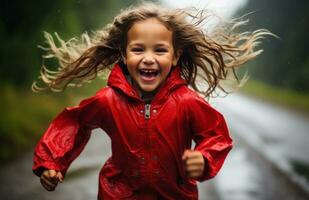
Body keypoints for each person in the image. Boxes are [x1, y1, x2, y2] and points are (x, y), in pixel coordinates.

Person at [32, 2, 271, 199]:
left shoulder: (187, 102)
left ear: (175, 56)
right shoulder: (109, 100)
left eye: (159, 50)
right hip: (116, 195)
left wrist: (205, 159)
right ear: (124, 55)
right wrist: (51, 162)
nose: (148, 59)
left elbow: (216, 136)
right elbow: (74, 122)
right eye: (138, 50)